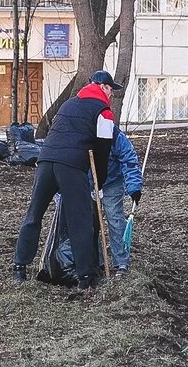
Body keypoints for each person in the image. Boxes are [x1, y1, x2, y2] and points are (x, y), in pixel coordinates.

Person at [13, 70, 120, 290]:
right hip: (71, 166)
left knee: (34, 214)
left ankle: (19, 267)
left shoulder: (69, 104)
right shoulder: (104, 112)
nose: (111, 94)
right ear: (102, 87)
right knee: (79, 220)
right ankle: (85, 277)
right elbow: (103, 150)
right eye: (110, 89)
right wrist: (99, 183)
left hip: (45, 161)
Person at [98, 128, 143, 274]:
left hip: (112, 182)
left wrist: (134, 187)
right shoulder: (80, 131)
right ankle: (96, 262)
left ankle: (121, 262)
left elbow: (129, 158)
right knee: (89, 223)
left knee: (115, 219)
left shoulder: (113, 134)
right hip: (87, 181)